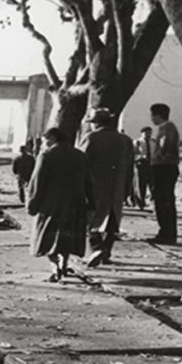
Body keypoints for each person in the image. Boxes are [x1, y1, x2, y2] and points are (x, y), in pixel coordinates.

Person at [28, 127, 93, 282]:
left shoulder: (46, 155)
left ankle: (55, 266)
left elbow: (37, 182)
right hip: (76, 204)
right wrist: (91, 204)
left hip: (51, 205)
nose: (43, 144)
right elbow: (88, 182)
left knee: (47, 238)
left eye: (44, 141)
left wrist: (32, 204)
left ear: (51, 139)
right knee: (66, 238)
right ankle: (63, 263)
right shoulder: (80, 155)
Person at [79, 108, 134, 267]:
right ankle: (106, 252)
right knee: (112, 221)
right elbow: (130, 169)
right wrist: (127, 190)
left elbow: (81, 164)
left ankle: (96, 248)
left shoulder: (91, 138)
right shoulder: (126, 140)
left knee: (91, 221)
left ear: (96, 124)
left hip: (94, 187)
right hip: (117, 188)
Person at [149, 103, 180, 244]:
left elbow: (164, 148)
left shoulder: (166, 128)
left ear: (157, 115)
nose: (151, 118)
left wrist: (158, 157)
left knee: (163, 201)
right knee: (163, 201)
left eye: (152, 115)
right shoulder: (167, 128)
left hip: (164, 168)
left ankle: (167, 233)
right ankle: (166, 232)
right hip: (165, 167)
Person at [134, 126, 157, 209]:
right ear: (142, 133)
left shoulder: (154, 142)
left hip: (152, 165)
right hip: (141, 165)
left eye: (150, 133)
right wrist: (139, 157)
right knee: (141, 185)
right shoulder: (137, 142)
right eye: (146, 133)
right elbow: (133, 154)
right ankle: (141, 203)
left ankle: (153, 202)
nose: (148, 134)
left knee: (153, 184)